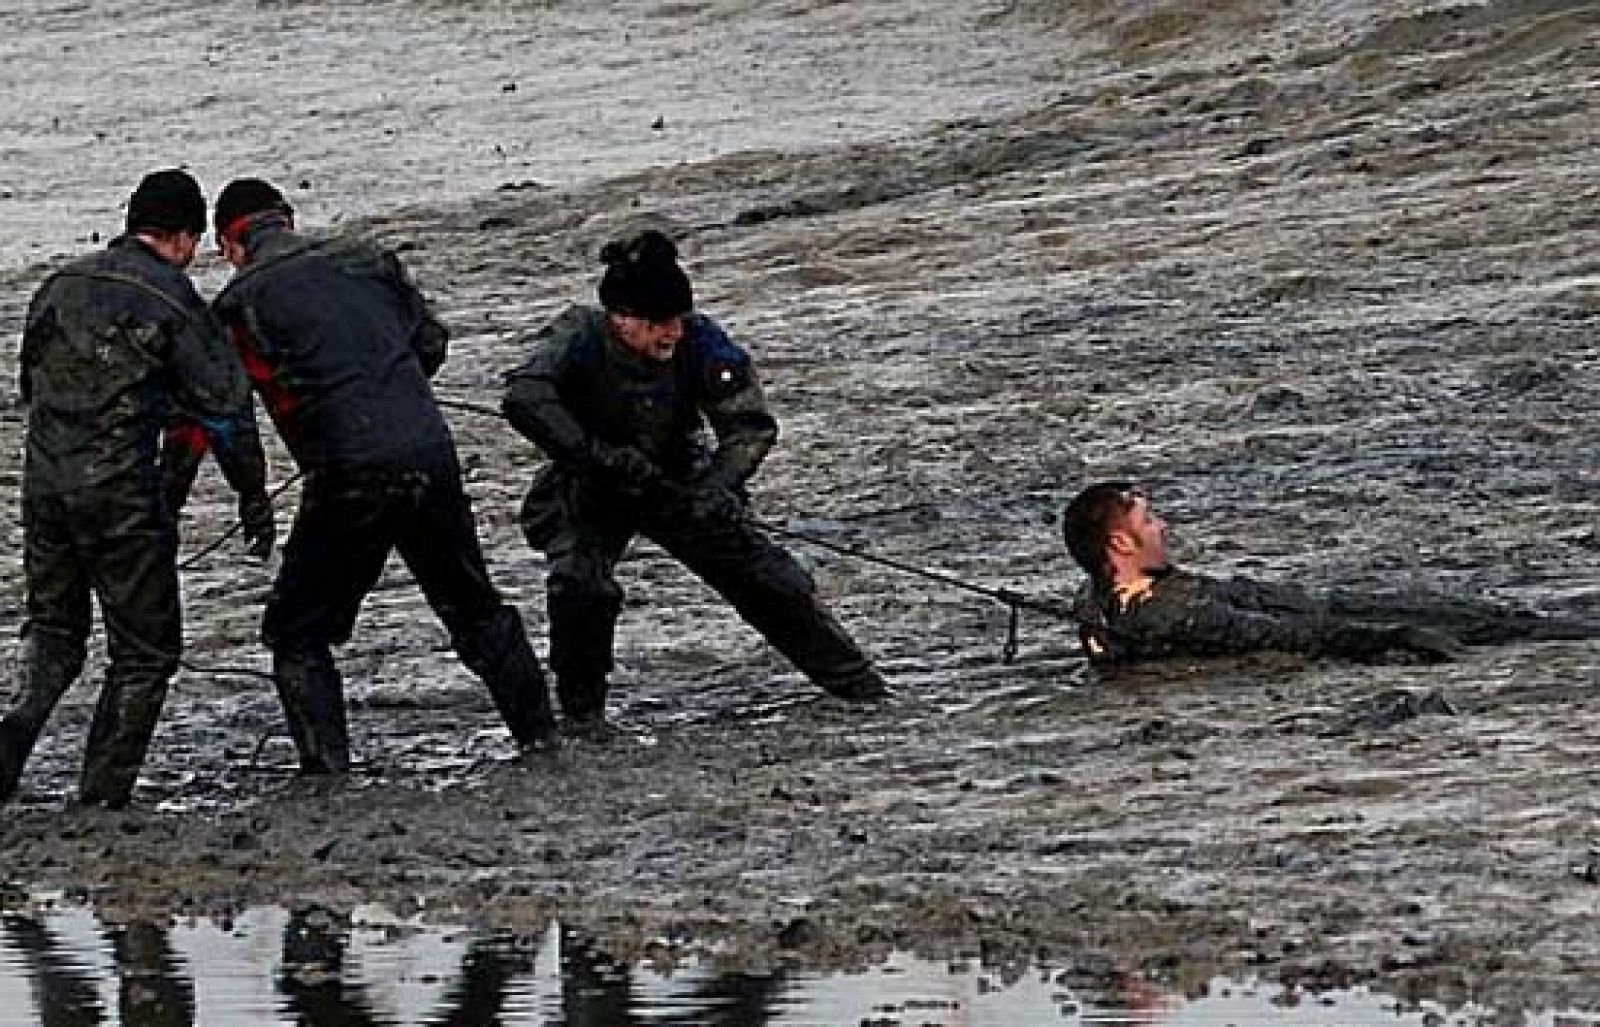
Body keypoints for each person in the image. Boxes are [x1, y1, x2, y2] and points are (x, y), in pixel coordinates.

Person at [200, 177, 557, 773]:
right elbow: (432, 344)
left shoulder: (239, 303)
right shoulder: (370, 259)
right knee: (474, 606)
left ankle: (326, 773)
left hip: (346, 472)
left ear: (229, 245)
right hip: (428, 451)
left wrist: (250, 495)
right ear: (287, 217)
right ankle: (542, 741)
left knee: (296, 629)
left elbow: (226, 416)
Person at [502, 229, 889, 730]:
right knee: (579, 586)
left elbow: (748, 426)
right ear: (621, 319)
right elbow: (524, 397)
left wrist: (719, 486)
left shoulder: (700, 338)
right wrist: (596, 456)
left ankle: (862, 690)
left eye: (677, 321)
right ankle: (582, 717)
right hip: (591, 484)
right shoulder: (577, 334)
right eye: (658, 324)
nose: (672, 335)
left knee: (771, 579)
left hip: (681, 480)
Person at [0, 169, 270, 807]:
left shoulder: (56, 288)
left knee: (55, 633)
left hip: (44, 488)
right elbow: (227, 411)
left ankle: (10, 736)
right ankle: (101, 795)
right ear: (182, 238)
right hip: (121, 495)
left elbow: (31, 390)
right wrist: (251, 497)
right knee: (145, 653)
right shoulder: (173, 300)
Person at [1062, 481, 1597, 666]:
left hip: (1330, 605)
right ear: (1119, 543)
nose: (1162, 526)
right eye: (1148, 520)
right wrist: (1391, 637)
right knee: (1509, 626)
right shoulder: (1163, 613)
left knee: (1510, 616)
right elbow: (1291, 636)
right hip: (1339, 619)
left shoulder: (1107, 604)